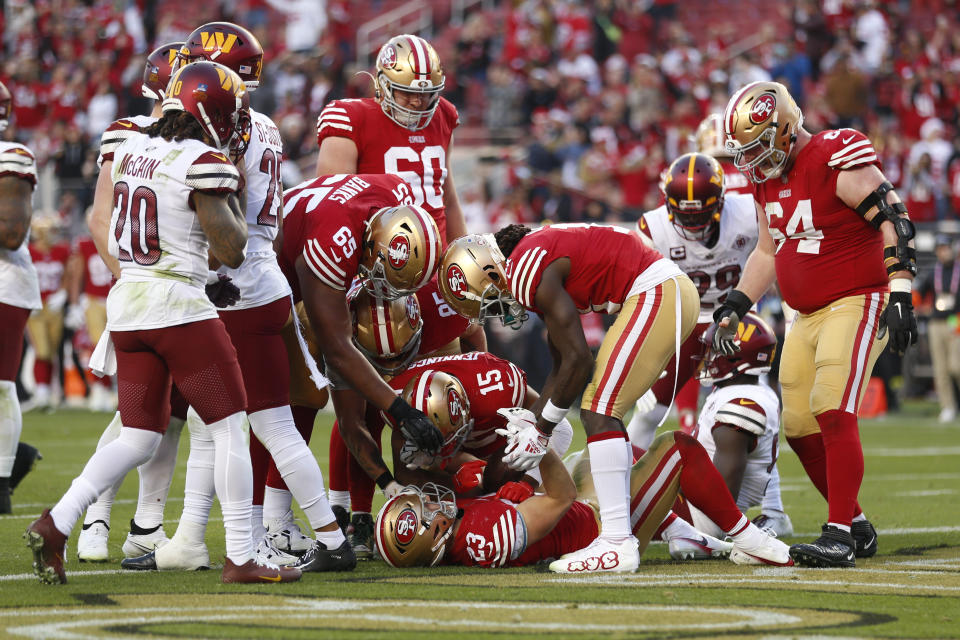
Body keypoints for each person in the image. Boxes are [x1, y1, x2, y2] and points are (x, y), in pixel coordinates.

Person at [24, 61, 299, 584]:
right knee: (231, 428)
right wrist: (236, 195)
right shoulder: (204, 160)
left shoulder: (131, 149)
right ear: (212, 114)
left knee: (137, 437)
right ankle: (242, 556)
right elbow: (233, 248)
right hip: (178, 306)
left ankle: (56, 523)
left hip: (130, 301)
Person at [134, 21, 354, 575]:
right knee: (218, 427)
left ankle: (329, 538)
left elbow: (219, 232)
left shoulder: (223, 127)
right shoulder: (264, 124)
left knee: (262, 424)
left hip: (237, 287)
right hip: (263, 277)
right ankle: (196, 539)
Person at [714, 80, 918, 567]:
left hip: (857, 299)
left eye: (760, 146)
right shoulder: (767, 180)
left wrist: (902, 290)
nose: (755, 161)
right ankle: (859, 524)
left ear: (784, 129)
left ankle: (839, 533)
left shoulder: (832, 154)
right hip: (803, 314)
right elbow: (768, 249)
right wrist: (738, 302)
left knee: (831, 406)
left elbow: (895, 219)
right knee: (799, 424)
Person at [444, 223, 704, 573]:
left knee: (599, 410)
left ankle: (616, 541)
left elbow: (579, 361)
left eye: (490, 299)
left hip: (656, 290)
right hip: (665, 289)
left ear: (491, 269)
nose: (499, 311)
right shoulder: (536, 254)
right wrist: (533, 432)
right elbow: (560, 370)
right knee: (599, 412)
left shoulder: (523, 268)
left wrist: (540, 430)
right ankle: (721, 535)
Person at [75, 41, 193, 563]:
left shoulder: (196, 141)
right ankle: (93, 517)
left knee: (172, 414)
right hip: (147, 290)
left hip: (187, 293)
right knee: (137, 414)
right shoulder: (128, 133)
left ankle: (145, 527)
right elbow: (99, 218)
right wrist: (133, 276)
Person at [375, 430, 791, 569]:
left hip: (582, 513)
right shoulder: (486, 535)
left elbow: (474, 485)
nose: (429, 502)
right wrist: (540, 450)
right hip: (601, 528)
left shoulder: (459, 529)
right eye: (425, 511)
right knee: (677, 447)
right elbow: (561, 498)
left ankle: (684, 533)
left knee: (606, 452)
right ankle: (746, 538)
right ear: (431, 534)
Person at [278, 172, 445, 512]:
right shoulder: (334, 247)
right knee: (286, 402)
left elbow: (472, 330)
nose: (387, 368)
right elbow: (339, 352)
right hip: (274, 276)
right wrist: (400, 410)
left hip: (319, 234)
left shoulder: (397, 197)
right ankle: (273, 519)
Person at [628, 152, 758, 443]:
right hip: (682, 324)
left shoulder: (749, 214)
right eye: (684, 215)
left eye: (699, 214)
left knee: (742, 411)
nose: (692, 225)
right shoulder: (653, 228)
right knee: (648, 410)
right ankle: (628, 481)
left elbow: (775, 255)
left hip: (738, 320)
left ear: (720, 202)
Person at [315, 34, 467, 248]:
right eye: (407, 92)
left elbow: (448, 199)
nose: (417, 102)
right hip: (377, 263)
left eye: (426, 94)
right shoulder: (351, 118)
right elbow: (333, 210)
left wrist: (463, 254)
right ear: (383, 84)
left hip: (436, 261)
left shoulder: (443, 114)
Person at [690, 313, 792, 538]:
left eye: (714, 350)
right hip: (696, 505)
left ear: (735, 357)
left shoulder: (742, 403)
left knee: (669, 449)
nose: (708, 356)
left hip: (702, 517)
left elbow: (721, 498)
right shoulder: (751, 392)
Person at [0, 79, 44, 514]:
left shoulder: (10, 156)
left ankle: (1, 482)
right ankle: (19, 455)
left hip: (4, 282)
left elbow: (11, 233)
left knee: (0, 383)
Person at [26, 216, 70, 410]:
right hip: (35, 306)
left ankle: (47, 390)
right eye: (50, 230)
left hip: (54, 305)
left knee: (51, 350)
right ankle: (41, 390)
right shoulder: (28, 253)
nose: (54, 234)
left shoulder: (61, 251)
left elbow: (69, 273)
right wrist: (28, 298)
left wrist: (63, 292)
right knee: (41, 349)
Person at [916, 235, 960, 423]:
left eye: (947, 247)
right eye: (941, 248)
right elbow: (918, 294)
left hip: (955, 320)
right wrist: (920, 307)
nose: (944, 251)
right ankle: (947, 407)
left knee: (956, 366)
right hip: (936, 322)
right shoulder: (933, 271)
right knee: (940, 368)